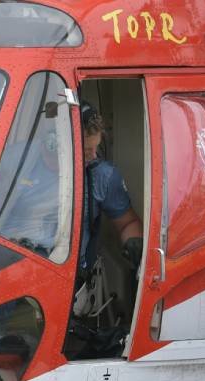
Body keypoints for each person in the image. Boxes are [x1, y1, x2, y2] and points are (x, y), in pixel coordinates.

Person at [78, 102, 144, 280]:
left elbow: (127, 222)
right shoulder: (21, 161)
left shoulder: (103, 176)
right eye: (85, 151)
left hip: (69, 276)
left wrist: (134, 243)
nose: (93, 156)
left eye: (96, 148)